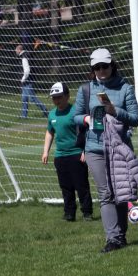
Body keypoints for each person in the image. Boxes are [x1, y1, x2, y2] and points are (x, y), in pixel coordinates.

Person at [73, 48, 138, 253]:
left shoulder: (125, 88)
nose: (101, 70)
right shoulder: (85, 89)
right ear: (92, 69)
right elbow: (76, 116)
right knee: (106, 193)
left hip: (119, 148)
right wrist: (86, 119)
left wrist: (114, 111)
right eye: (97, 67)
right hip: (95, 147)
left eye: (105, 66)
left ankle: (121, 236)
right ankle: (112, 238)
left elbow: (136, 118)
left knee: (121, 192)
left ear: (112, 65)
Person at [41, 82, 93, 222]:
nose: (56, 100)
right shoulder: (52, 114)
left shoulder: (76, 111)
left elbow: (86, 132)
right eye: (54, 97)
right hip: (60, 156)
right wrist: (46, 151)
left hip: (76, 154)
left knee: (81, 185)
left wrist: (85, 151)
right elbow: (50, 132)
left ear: (67, 96)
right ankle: (69, 213)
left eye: (59, 97)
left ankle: (87, 212)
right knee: (65, 186)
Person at [16, 45, 48, 119]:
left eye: (16, 50)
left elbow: (27, 70)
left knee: (32, 98)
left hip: (27, 80)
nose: (16, 52)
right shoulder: (27, 55)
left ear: (19, 50)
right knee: (24, 99)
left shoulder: (24, 57)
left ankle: (45, 111)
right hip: (27, 81)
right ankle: (24, 116)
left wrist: (23, 79)